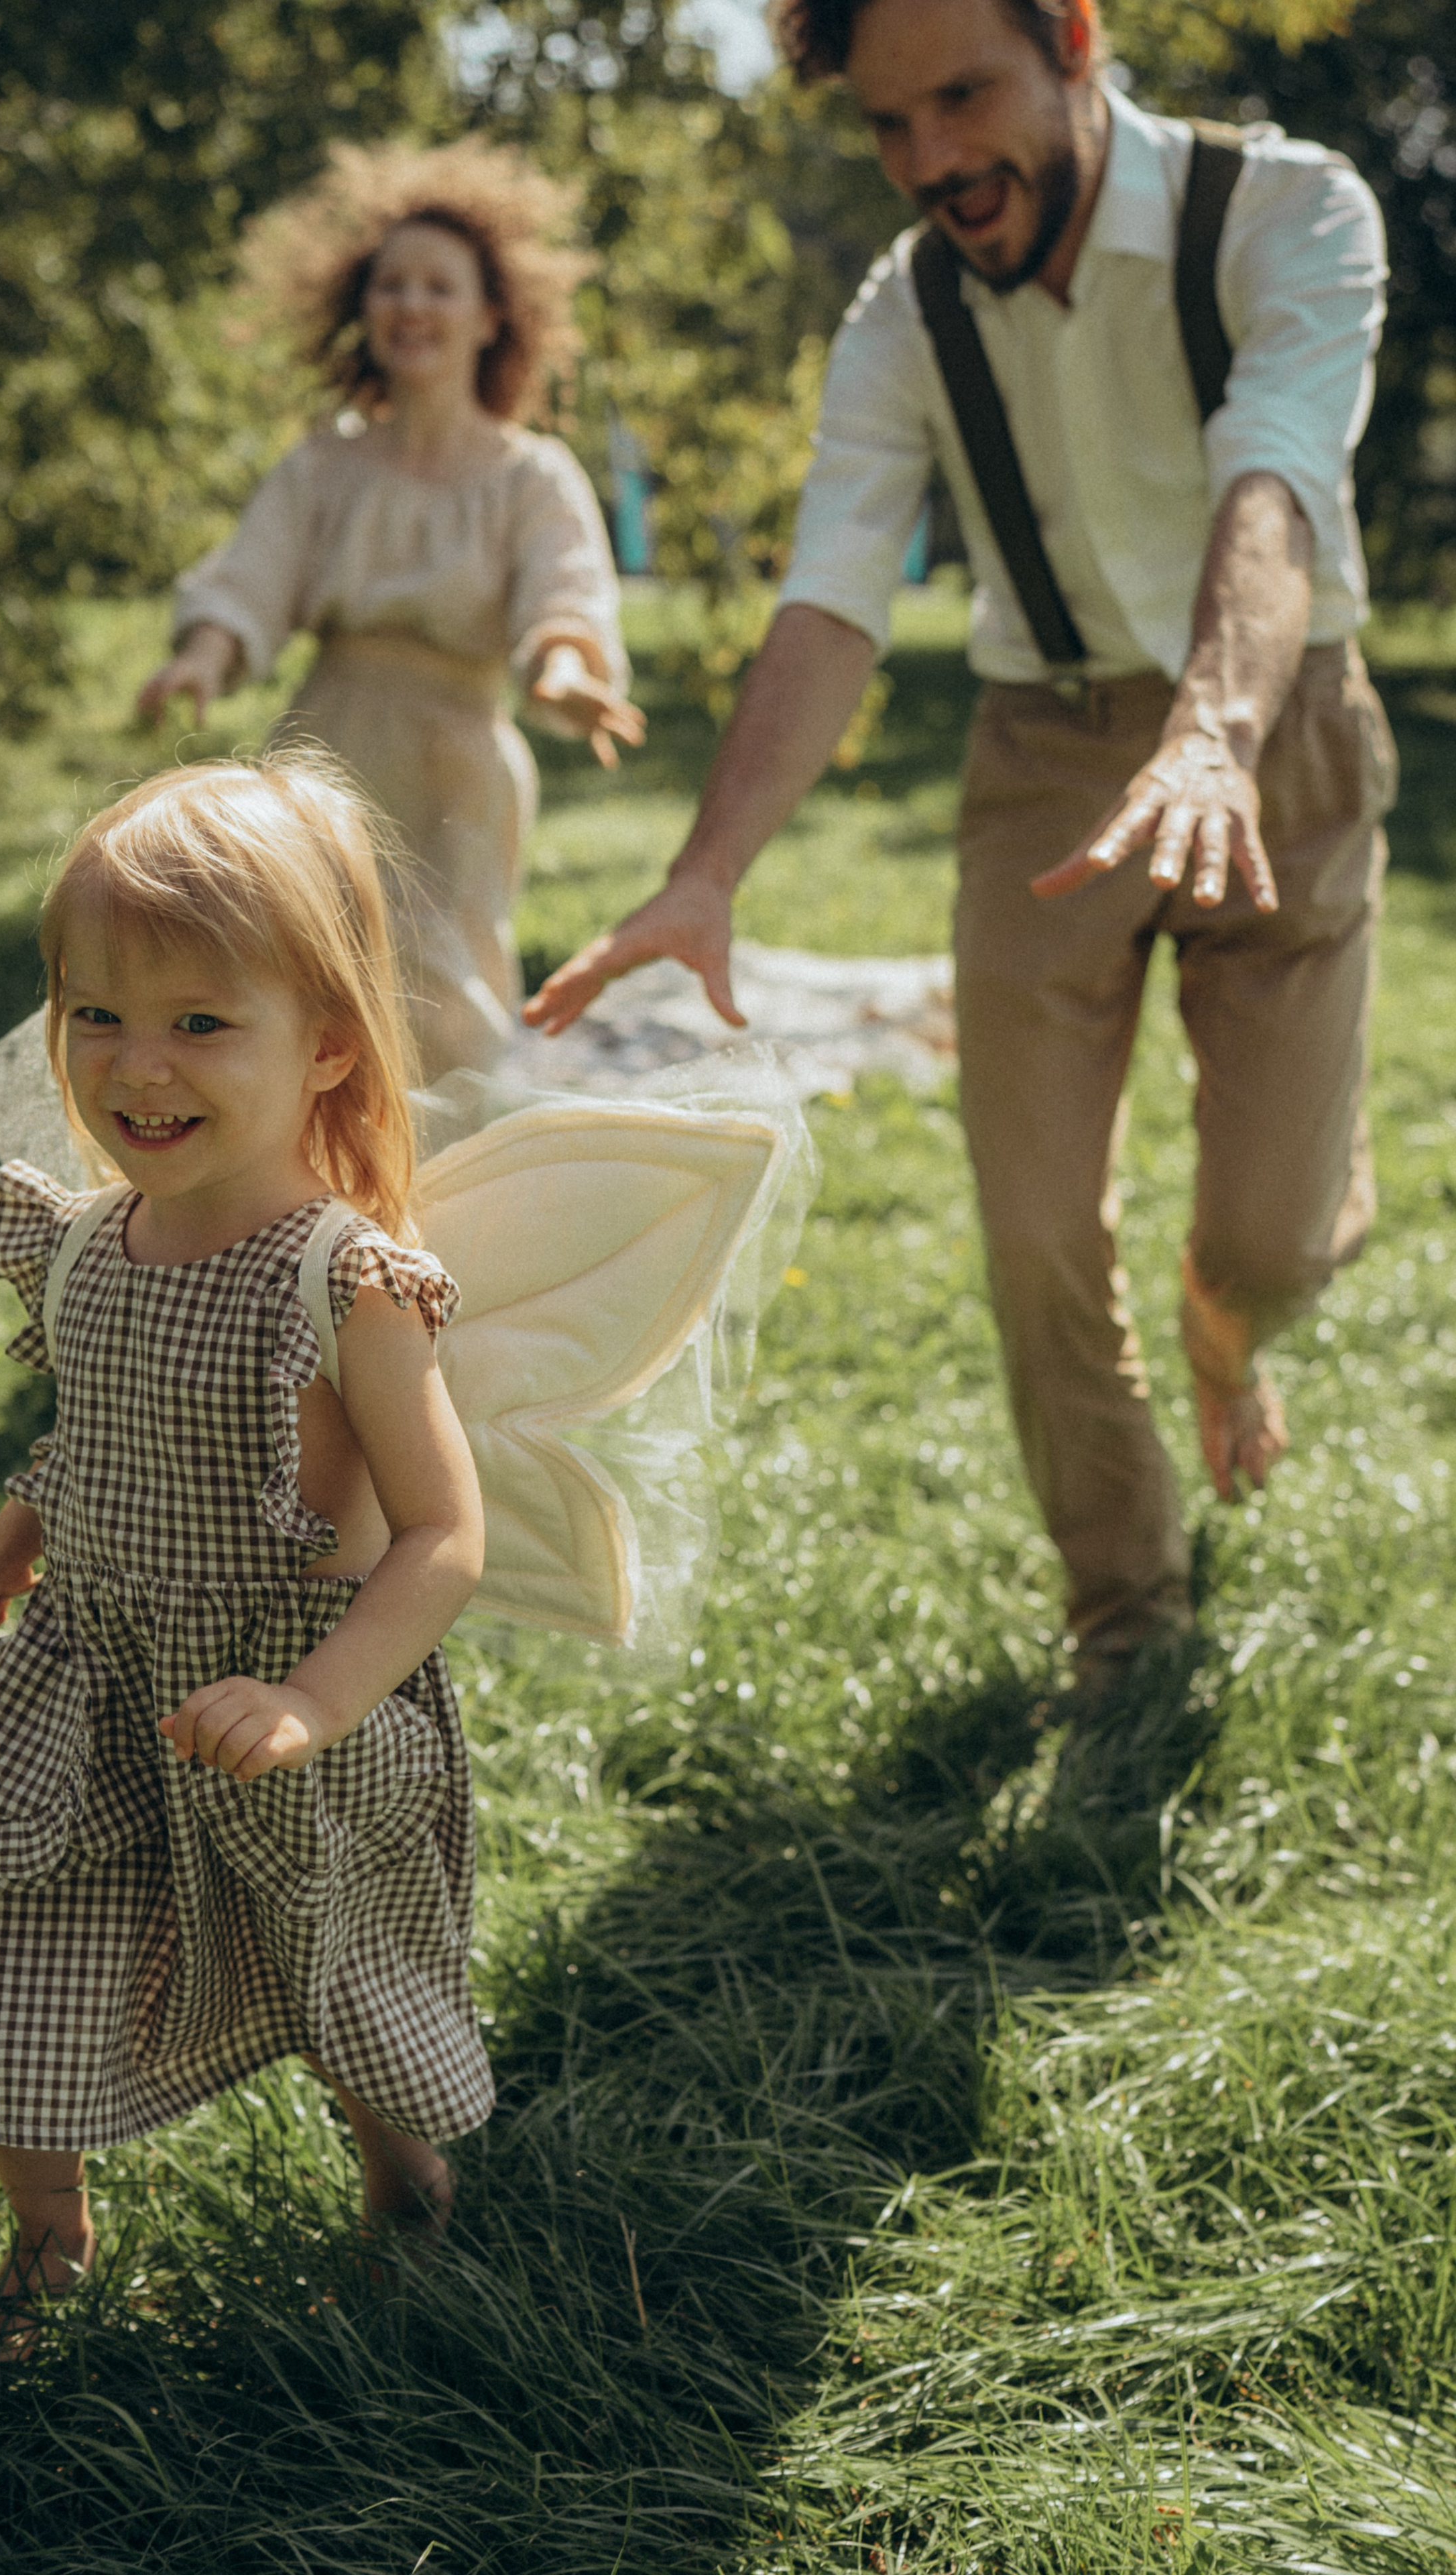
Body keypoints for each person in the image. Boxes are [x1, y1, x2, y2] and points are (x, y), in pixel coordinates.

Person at [526, 0, 1396, 1697]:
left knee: (1276, 1238)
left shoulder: (1287, 214)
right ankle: (1124, 1617)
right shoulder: (904, 313)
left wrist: (1211, 732)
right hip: (1043, 761)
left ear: (1072, 39)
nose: (931, 162)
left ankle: (1232, 1322)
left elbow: (1272, 479)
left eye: (963, 97)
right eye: (887, 126)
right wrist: (706, 872)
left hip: (1271, 729)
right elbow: (837, 582)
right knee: (1034, 1228)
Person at [0, 756, 493, 2320]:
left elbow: (438, 1535)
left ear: (329, 1049)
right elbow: (91, 1439)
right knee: (8, 1953)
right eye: (95, 1013)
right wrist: (4, 1553)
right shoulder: (88, 1245)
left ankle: (407, 2187)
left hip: (288, 1706)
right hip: (94, 1687)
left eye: (200, 1022)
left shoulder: (343, 1282)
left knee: (336, 1977)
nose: (134, 1066)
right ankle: (49, 2235)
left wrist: (314, 1701)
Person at [138, 137, 644, 1083]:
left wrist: (566, 668)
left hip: (458, 764)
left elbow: (565, 590)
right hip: (324, 748)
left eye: (439, 287)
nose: (411, 305)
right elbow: (253, 577)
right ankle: (304, 1199)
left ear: (492, 316)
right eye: (391, 285)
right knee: (297, 974)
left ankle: (445, 1199)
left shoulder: (529, 476)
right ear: (362, 307)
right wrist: (205, 657)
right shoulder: (324, 466)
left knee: (445, 999)